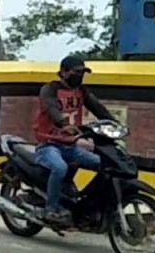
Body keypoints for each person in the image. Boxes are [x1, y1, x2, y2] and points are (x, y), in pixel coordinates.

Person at [34, 55, 113, 225]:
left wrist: (114, 124)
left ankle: (89, 206)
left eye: (83, 72)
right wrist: (63, 124)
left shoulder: (81, 91)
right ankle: (51, 208)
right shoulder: (50, 89)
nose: (80, 76)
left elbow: (97, 107)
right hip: (49, 143)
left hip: (71, 144)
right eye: (76, 72)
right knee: (60, 168)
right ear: (63, 72)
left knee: (104, 164)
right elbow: (51, 108)